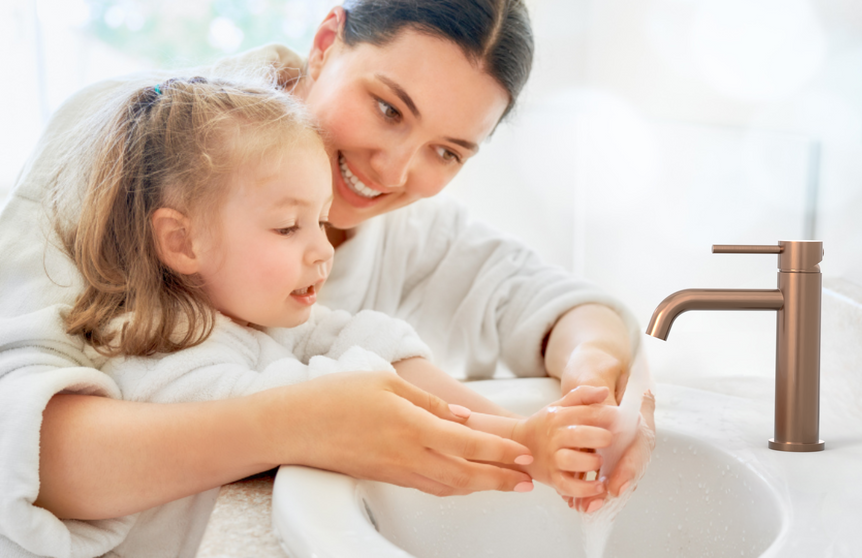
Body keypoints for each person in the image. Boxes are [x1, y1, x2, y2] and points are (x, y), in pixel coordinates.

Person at [0, 1, 654, 556]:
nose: (396, 170)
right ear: (324, 41)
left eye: (447, 152)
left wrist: (591, 388)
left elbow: (542, 301)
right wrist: (292, 423)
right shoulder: (128, 147)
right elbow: (19, 445)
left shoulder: (411, 236)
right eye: (389, 109)